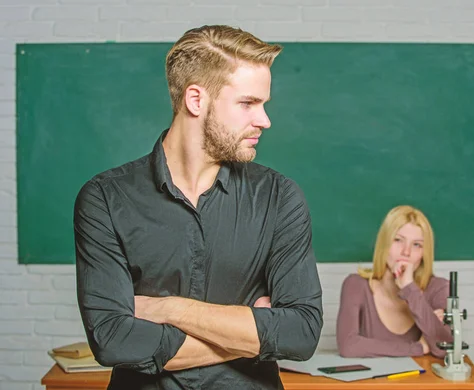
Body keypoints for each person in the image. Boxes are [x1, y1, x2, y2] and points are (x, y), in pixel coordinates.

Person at [74, 25, 323, 390]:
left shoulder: (279, 197)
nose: (264, 120)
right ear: (196, 100)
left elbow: (300, 334)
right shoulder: (105, 198)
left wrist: (170, 309)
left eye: (263, 104)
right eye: (248, 103)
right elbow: (114, 340)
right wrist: (251, 332)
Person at [336, 205, 451, 359]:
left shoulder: (438, 288)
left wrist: (410, 289)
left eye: (416, 245)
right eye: (398, 240)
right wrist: (417, 348)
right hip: (369, 383)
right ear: (384, 244)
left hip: (419, 382)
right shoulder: (356, 285)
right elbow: (348, 347)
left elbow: (443, 348)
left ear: (424, 253)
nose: (406, 252)